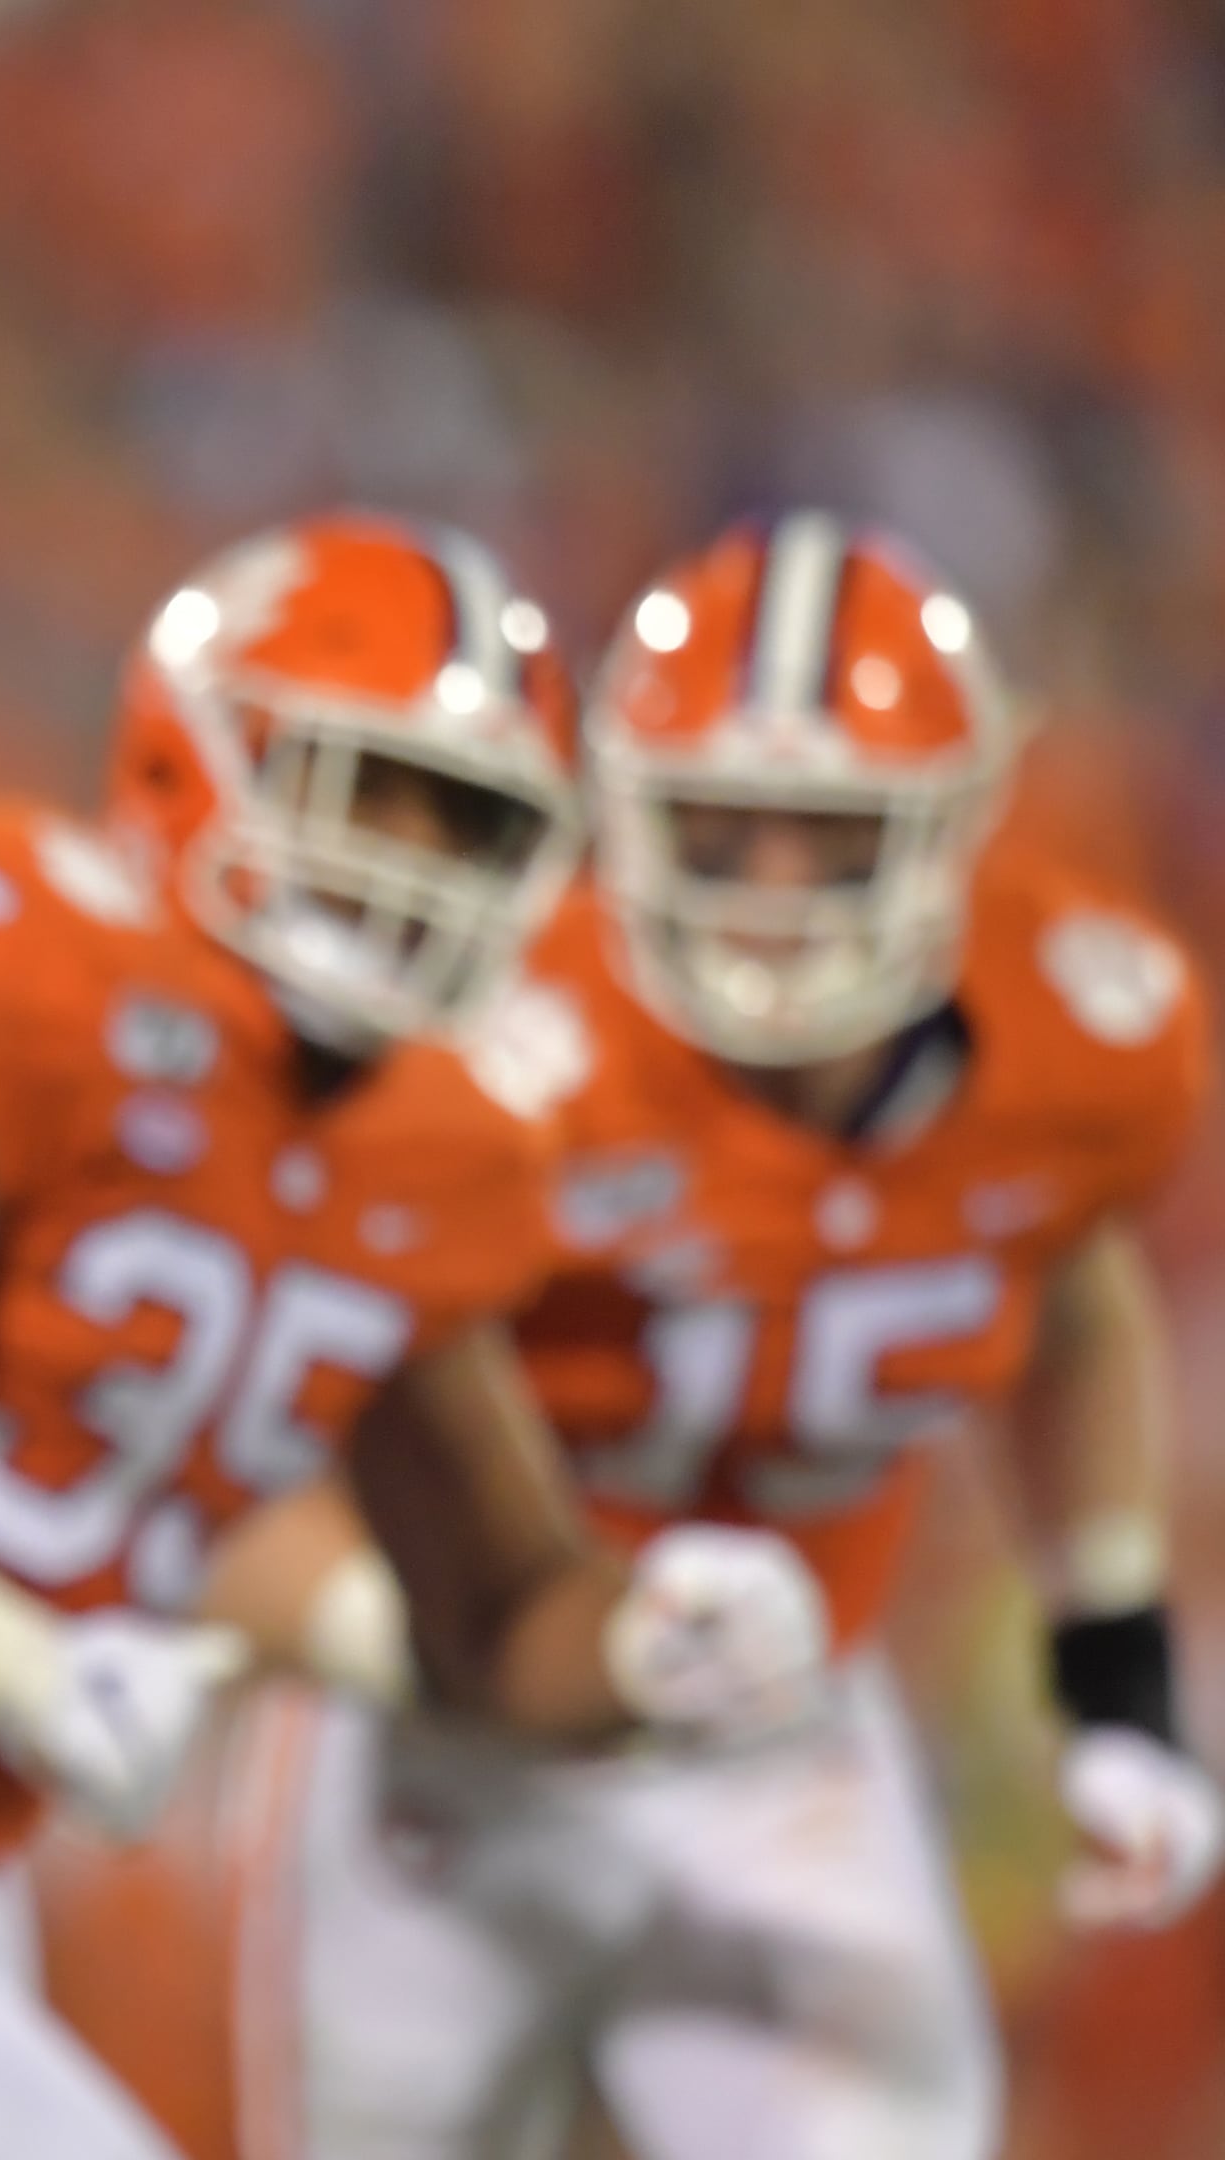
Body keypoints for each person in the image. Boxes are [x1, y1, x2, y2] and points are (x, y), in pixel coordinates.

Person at [0, 512, 835, 2160]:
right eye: (369, 784)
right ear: (203, 761)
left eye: (470, 817)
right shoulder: (52, 986)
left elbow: (496, 1616)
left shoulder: (443, 1150)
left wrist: (653, 1650)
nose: (412, 854)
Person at [265, 516, 1222, 2160]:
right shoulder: (493, 1040)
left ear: (954, 828)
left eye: (831, 838)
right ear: (622, 808)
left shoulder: (1077, 1038)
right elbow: (297, 1375)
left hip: (788, 1744)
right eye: (723, 826)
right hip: (451, 1736)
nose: (773, 895)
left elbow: (1069, 1289)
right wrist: (348, 1632)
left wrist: (1115, 1662)